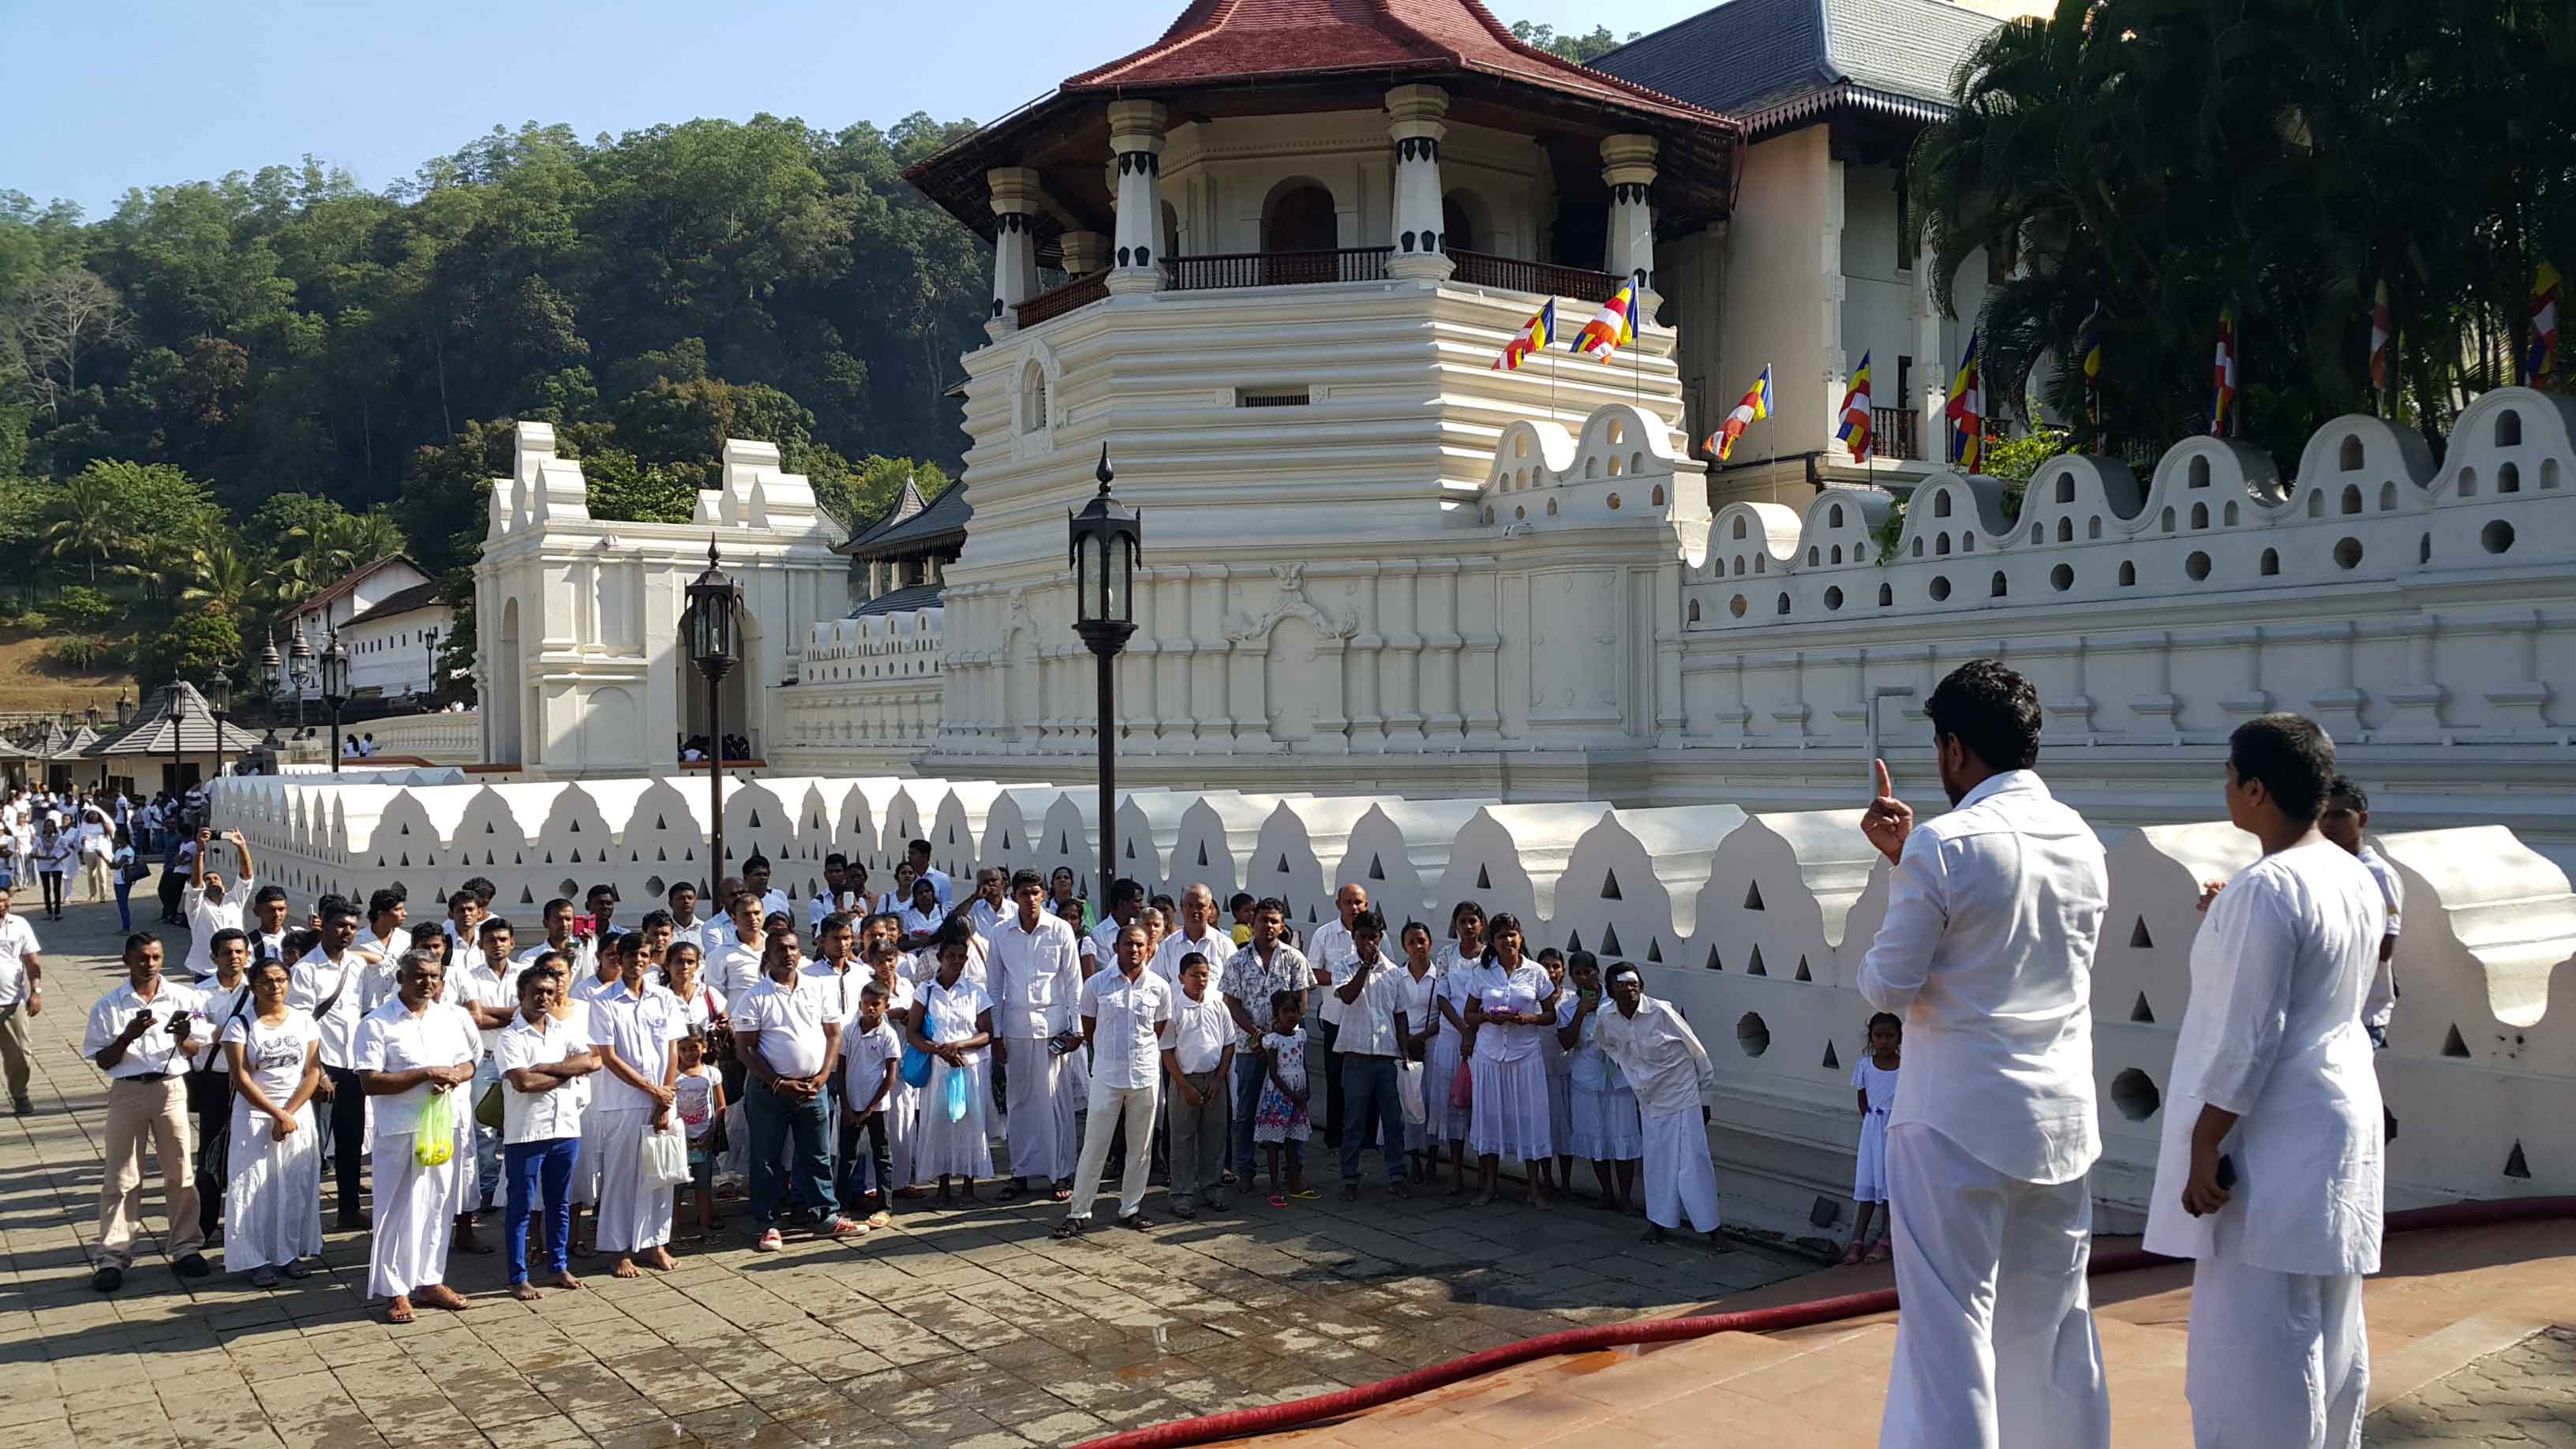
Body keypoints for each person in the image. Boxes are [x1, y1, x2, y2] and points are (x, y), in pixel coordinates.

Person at [1855, 657, 2112, 1449]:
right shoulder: (2082, 838)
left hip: (1956, 1123)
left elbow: (1888, 984)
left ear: (1955, 748)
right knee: (2053, 1329)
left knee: (1950, 1341)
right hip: (2059, 1121)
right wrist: (1908, 863)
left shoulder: (1943, 846)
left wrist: (1905, 869)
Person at [2147, 715, 2385, 1449]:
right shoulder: (2352, 873)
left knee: (2257, 1347)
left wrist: (2204, 1142)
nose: (2225, 789)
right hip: (2336, 1112)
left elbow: (2252, 1032)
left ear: (2255, 790)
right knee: (2330, 1326)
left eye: (2229, 777)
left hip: (2273, 1130)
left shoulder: (2269, 888)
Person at [358, 949, 482, 1322]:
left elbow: (469, 1062)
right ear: (401, 978)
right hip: (399, 1129)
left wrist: (454, 1076)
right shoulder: (377, 1023)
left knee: (437, 1205)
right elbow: (370, 1081)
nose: (426, 982)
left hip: (442, 1125)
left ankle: (430, 1280)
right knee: (396, 1210)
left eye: (433, 976)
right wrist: (426, 1074)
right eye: (418, 976)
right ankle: (396, 1290)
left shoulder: (449, 1017)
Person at [83, 932, 212, 1292]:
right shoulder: (109, 1005)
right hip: (128, 1091)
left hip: (171, 1088)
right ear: (127, 960)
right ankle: (113, 1256)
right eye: (142, 958)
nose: (150, 964)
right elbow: (103, 1060)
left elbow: (195, 1049)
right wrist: (127, 1036)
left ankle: (185, 1247)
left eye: (156, 957)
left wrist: (183, 1037)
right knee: (122, 1176)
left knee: (180, 1171)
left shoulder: (185, 997)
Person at [734, 928, 859, 1249]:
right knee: (766, 1158)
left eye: (792, 948)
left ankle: (825, 1217)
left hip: (813, 1087)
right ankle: (768, 1223)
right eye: (780, 949)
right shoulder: (754, 997)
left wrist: (824, 1075)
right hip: (769, 1091)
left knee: (817, 1154)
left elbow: (834, 1035)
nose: (787, 954)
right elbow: (745, 1049)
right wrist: (778, 1082)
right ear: (768, 956)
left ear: (800, 953)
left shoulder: (817, 988)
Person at [1593, 964, 1726, 1249]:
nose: (1629, 990)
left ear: (1641, 986)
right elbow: (1604, 1043)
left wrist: (1705, 1100)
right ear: (1611, 991)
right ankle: (1659, 1223)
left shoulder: (1661, 1012)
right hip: (1650, 1100)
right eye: (1622, 985)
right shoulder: (1606, 1016)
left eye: (1634, 984)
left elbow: (1698, 1053)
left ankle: (1713, 1230)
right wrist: (1628, 1066)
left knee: (1693, 1164)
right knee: (1656, 1164)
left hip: (1683, 1097)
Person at [1056, 923, 1174, 1237]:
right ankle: (1079, 1211)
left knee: (1141, 1147)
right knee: (1095, 1145)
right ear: (1116, 947)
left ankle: (1130, 1208)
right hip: (1107, 1076)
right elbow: (1090, 1029)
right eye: (1128, 944)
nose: (1134, 950)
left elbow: (1158, 1029)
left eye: (1139, 945)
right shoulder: (1096, 985)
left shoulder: (1159, 987)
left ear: (1148, 949)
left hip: (1145, 1075)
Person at [496, 964, 599, 1301]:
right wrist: (567, 1073)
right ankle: (518, 1276)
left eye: (549, 992)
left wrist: (550, 1069)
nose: (543, 998)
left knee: (560, 1202)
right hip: (527, 1131)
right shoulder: (510, 1037)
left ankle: (558, 1266)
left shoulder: (561, 1029)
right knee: (522, 1207)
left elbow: (591, 1061)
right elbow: (524, 1083)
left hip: (565, 1126)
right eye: (537, 992)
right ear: (521, 995)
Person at [588, 933, 687, 1277]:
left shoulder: (663, 997)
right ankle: (618, 1250)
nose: (637, 961)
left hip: (662, 1099)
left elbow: (672, 1050)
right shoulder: (603, 1001)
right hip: (623, 1102)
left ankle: (655, 1244)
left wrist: (665, 1096)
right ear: (620, 958)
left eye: (644, 955)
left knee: (660, 1173)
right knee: (622, 1177)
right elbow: (609, 1057)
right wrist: (651, 1090)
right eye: (631, 955)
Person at [219, 957, 324, 1286]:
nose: (274, 986)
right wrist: (276, 1114)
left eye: (280, 979)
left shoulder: (304, 1021)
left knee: (293, 1185)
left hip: (297, 1115)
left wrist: (289, 1113)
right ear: (253, 986)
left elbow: (313, 1071)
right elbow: (241, 1078)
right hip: (254, 1117)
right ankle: (255, 1259)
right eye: (266, 981)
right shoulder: (240, 1025)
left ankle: (288, 1253)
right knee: (252, 1189)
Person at [989, 869, 1084, 1203]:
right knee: (1018, 1102)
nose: (1030, 899)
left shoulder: (1060, 929)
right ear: (1014, 896)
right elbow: (994, 987)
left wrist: (1077, 1030)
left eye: (1035, 892)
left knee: (1054, 1102)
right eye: (1023, 893)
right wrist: (996, 1035)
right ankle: (1021, 1172)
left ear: (1043, 895)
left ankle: (1062, 1172)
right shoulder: (1001, 933)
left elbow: (1073, 983)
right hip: (1015, 1027)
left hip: (1053, 1027)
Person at [287, 898, 374, 1230]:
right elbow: (300, 1026)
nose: (346, 932)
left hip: (353, 1066)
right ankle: (302, 1218)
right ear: (323, 925)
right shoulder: (305, 971)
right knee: (313, 1147)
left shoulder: (357, 966)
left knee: (351, 1142)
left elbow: (363, 1012)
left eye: (352, 927)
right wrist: (318, 1072)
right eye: (339, 925)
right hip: (320, 1068)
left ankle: (348, 1209)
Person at [1458, 912, 1556, 1208]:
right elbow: (1469, 1014)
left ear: (1521, 937)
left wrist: (1529, 1019)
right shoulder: (1483, 972)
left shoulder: (1536, 972)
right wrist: (1487, 1017)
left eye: (1512, 935)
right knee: (1489, 1117)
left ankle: (1534, 1189)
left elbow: (1551, 1015)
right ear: (1493, 941)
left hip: (1525, 1055)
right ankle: (1489, 1186)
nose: (1508, 941)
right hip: (1490, 1055)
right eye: (1501, 936)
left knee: (1530, 1118)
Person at [1222, 898, 1311, 1193]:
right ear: (1252, 923)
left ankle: (1294, 1170)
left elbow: (1302, 1002)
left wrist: (1280, 1034)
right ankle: (1246, 1170)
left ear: (1282, 926)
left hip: (1287, 1049)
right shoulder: (1237, 960)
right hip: (1251, 1047)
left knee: (1293, 1105)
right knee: (1247, 1109)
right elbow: (1233, 1004)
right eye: (1263, 920)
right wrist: (1259, 1035)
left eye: (1274, 921)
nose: (1268, 926)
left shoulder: (1294, 959)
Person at [2317, 777, 2404, 1050]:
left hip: (2362, 1015)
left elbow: (2385, 946)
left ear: (2362, 819)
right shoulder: (2319, 868)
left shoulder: (2377, 874)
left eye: (2340, 815)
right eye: (2323, 815)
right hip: (2325, 1013)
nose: (2330, 824)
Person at [907, 934, 994, 1203]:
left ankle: (969, 1184)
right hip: (938, 1068)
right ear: (940, 958)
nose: (956, 961)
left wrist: (959, 1046)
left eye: (961, 957)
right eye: (951, 956)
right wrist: (940, 1050)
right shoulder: (925, 991)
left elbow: (987, 1034)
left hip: (970, 1067)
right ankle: (942, 1184)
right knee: (939, 1124)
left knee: (971, 1124)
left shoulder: (976, 992)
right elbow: (913, 1033)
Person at [1331, 909, 1410, 1200]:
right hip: (1356, 1055)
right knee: (1354, 1120)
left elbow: (1400, 1014)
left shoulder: (1393, 972)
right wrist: (1365, 966)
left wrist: (1404, 1052)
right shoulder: (1344, 965)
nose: (1369, 943)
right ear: (1354, 937)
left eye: (1373, 938)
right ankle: (1350, 1177)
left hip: (1386, 1055)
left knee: (1393, 1120)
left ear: (1381, 938)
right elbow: (1348, 996)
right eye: (1363, 937)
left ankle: (1397, 1175)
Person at [187, 929, 256, 1241]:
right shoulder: (199, 994)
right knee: (211, 1154)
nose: (234, 958)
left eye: (240, 952)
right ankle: (204, 1225)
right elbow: (195, 1034)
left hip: (253, 1081)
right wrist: (232, 1033)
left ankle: (245, 1225)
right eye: (227, 953)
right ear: (214, 957)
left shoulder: (257, 990)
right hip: (215, 1081)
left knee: (249, 1151)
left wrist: (218, 1032)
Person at [1559, 951, 1638, 1212]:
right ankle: (1607, 1194)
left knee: (1622, 1137)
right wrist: (1581, 1013)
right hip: (1587, 1079)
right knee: (1596, 1138)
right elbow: (1566, 1043)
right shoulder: (1568, 1007)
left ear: (1597, 972)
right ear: (1572, 977)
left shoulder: (1614, 1000)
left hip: (1618, 1079)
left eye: (1588, 972)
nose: (1584, 978)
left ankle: (1626, 1198)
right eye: (1578, 974)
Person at [1162, 951, 1233, 1219]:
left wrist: (1219, 1079)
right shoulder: (1174, 1009)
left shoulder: (1217, 1005)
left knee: (1215, 1136)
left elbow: (1229, 1044)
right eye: (1194, 975)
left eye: (1204, 975)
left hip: (1214, 1079)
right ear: (1181, 978)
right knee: (1182, 1139)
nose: (1200, 980)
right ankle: (1181, 1194)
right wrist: (1184, 1086)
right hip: (1185, 1080)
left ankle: (1212, 1187)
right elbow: (1167, 1051)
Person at [1425, 900, 1485, 1194]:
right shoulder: (1446, 955)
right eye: (1463, 921)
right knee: (1454, 1106)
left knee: (1483, 1106)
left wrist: (1474, 1030)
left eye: (1473, 920)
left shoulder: (1490, 956)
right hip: (1452, 1038)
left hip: (1484, 1037)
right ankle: (1457, 1173)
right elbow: (1442, 997)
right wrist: (1463, 1030)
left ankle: (1486, 1176)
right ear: (1455, 925)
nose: (1468, 926)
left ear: (1482, 924)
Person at [837, 981, 903, 1232]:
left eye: (876, 1004)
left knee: (882, 1155)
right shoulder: (849, 1031)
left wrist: (870, 1107)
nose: (870, 1008)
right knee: (847, 1155)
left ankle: (885, 1207)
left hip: (877, 1107)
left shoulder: (888, 1035)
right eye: (866, 1004)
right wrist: (845, 1105)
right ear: (860, 1004)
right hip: (851, 1103)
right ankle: (842, 1204)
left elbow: (890, 1076)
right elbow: (841, 1069)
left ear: (886, 1006)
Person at [1844, 1012, 1902, 1265]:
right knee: (1868, 1181)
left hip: (1896, 1132)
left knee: (1892, 1183)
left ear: (1899, 1038)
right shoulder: (1865, 1066)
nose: (1884, 1041)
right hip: (1872, 1130)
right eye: (1878, 1036)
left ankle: (1886, 1239)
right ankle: (1857, 1239)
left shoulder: (1906, 1067)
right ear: (1871, 1038)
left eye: (1890, 1036)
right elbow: (1862, 1099)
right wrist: (1872, 1123)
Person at [1392, 920, 1443, 1185]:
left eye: (1421, 941)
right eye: (1411, 942)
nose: (1417, 947)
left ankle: (1433, 1159)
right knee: (1408, 1103)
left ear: (1430, 944)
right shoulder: (1396, 977)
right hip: (1403, 1048)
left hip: (1432, 1046)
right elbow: (1392, 1012)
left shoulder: (1440, 977)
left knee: (1432, 1103)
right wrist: (1406, 1043)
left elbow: (1445, 1014)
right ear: (1405, 947)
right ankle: (1413, 1159)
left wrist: (1419, 1038)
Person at [1252, 990, 1312, 1202]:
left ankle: (1294, 1181)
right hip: (1280, 1096)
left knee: (1293, 1140)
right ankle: (1274, 1185)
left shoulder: (1300, 1036)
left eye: (1294, 1011)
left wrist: (1307, 1090)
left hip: (1298, 1095)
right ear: (1276, 1014)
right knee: (1274, 1142)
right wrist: (1290, 1095)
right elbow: (1274, 1073)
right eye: (1285, 1011)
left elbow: (1303, 1064)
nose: (1291, 1016)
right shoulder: (1273, 1041)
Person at [671, 1028, 725, 1241]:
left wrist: (711, 1132)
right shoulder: (673, 1075)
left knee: (703, 1185)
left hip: (704, 1139)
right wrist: (677, 1136)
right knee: (677, 1187)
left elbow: (720, 1105)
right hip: (679, 1141)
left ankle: (705, 1225)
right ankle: (674, 1230)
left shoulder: (712, 1074)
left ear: (704, 1047)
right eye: (683, 1049)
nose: (689, 1054)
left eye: (694, 1048)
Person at [182, 829, 256, 979]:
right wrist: (200, 851)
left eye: (216, 879)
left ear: (224, 885)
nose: (213, 881)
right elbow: (195, 885)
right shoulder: (196, 906)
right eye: (208, 880)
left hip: (238, 969)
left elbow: (247, 877)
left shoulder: (234, 900)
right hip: (207, 972)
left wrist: (241, 846)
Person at [0, 885, 42, 1116]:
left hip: (12, 1001)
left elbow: (32, 962)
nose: (4, 905)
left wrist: (36, 991)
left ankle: (20, 1096)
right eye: (0, 901)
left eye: (6, 900)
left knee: (20, 1053)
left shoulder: (19, 924)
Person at [36, 819, 68, 921]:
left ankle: (57, 912)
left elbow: (67, 852)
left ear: (54, 828)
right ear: (44, 828)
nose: (49, 828)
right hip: (43, 865)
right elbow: (33, 853)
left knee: (57, 888)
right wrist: (42, 857)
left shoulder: (61, 838)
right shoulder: (39, 839)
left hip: (57, 865)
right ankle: (49, 912)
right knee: (46, 889)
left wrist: (58, 859)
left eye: (51, 826)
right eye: (47, 826)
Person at [109, 826, 139, 933]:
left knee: (123, 904)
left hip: (124, 880)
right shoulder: (118, 851)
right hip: (117, 880)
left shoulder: (128, 851)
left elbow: (117, 866)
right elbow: (112, 865)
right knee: (121, 904)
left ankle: (126, 927)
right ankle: (125, 926)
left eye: (116, 837)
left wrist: (103, 856)